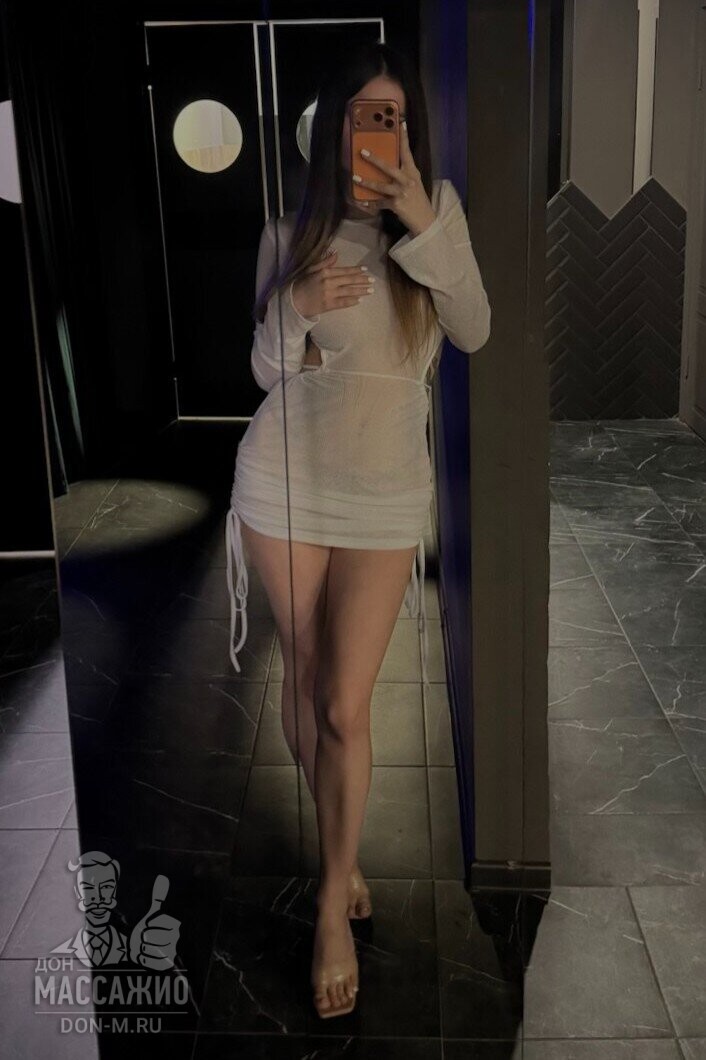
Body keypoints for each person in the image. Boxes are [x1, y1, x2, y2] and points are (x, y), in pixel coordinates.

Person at [225, 41, 491, 1019]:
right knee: (305, 681)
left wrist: (420, 221)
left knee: (344, 701)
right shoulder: (288, 233)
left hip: (381, 497)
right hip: (285, 482)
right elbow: (266, 373)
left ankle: (331, 897)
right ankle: (341, 868)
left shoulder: (438, 216)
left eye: (392, 117)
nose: (374, 133)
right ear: (331, 129)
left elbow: (474, 329)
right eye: (358, 117)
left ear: (407, 130)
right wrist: (291, 307)